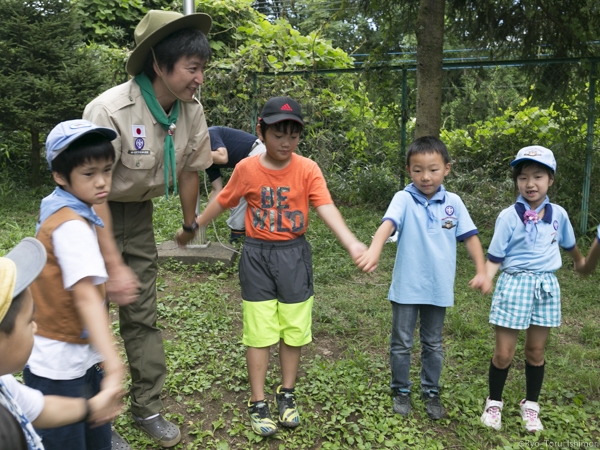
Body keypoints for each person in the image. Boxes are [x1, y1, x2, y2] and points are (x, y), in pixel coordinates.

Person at [177, 96, 366, 436]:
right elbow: (223, 200)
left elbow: (325, 206)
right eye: (279, 132)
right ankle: (258, 400)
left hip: (294, 256)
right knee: (259, 331)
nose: (286, 141)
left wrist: (351, 242)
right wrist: (194, 226)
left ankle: (287, 393)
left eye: (293, 134)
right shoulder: (247, 169)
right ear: (260, 131)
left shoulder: (308, 169)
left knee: (294, 329)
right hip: (257, 256)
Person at [83, 9, 214, 447]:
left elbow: (194, 168)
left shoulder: (191, 110)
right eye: (191, 69)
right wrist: (110, 261)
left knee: (141, 312)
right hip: (89, 217)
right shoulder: (109, 109)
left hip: (137, 215)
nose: (199, 79)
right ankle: (97, 419)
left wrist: (189, 221)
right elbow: (93, 192)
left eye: (202, 70)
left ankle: (147, 407)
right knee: (90, 317)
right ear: (159, 65)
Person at [356, 136, 489, 420]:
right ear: (408, 170)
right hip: (406, 287)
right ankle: (401, 390)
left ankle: (431, 391)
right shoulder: (403, 198)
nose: (425, 177)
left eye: (433, 169)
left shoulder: (453, 202)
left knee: (433, 343)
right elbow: (387, 225)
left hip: (438, 288)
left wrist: (482, 270)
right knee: (401, 342)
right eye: (418, 170)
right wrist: (374, 250)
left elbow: (471, 237)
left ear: (447, 169)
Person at [21, 120, 126, 450]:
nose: (101, 182)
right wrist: (115, 362)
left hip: (72, 358)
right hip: (61, 368)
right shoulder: (72, 227)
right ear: (59, 175)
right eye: (89, 173)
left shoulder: (59, 205)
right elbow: (84, 297)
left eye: (107, 170)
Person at [475, 146, 584, 432]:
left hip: (546, 287)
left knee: (536, 351)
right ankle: (494, 403)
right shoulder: (508, 216)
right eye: (523, 177)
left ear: (551, 180)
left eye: (538, 176)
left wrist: (581, 262)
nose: (530, 183)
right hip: (514, 286)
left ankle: (531, 406)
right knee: (503, 354)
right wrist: (486, 277)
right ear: (517, 182)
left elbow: (570, 245)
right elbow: (495, 256)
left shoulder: (558, 214)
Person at [0, 237, 123, 450]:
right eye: (30, 320)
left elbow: (38, 408)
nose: (36, 328)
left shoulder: (4, 383)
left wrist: (91, 408)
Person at [205, 126, 266, 242]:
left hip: (257, 153)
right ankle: (241, 238)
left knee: (238, 198)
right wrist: (206, 218)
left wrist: (198, 152)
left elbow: (223, 157)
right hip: (247, 162)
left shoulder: (210, 133)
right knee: (244, 200)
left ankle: (238, 239)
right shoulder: (207, 161)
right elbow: (216, 189)